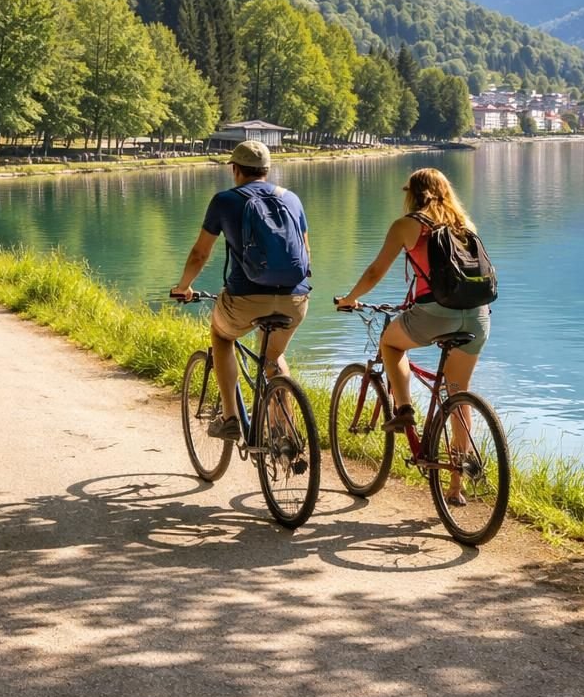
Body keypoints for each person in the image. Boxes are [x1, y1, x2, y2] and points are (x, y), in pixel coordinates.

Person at [334, 167, 491, 506]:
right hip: (478, 317)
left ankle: (403, 408)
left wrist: (350, 299)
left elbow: (376, 270)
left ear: (412, 193)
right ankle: (455, 484)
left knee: (390, 344)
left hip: (435, 313)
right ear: (445, 191)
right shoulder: (464, 225)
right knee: (458, 394)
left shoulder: (408, 225)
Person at [169, 140, 310, 441]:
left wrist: (184, 287)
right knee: (274, 357)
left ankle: (231, 417)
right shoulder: (292, 199)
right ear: (267, 170)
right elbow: (306, 252)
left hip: (246, 298)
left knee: (222, 336)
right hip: (295, 298)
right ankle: (287, 434)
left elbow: (199, 254)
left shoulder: (225, 200)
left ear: (235, 169)